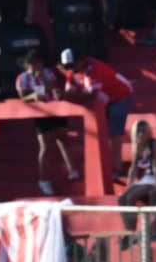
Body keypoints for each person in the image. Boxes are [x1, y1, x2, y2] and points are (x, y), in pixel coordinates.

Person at [57, 48, 134, 181]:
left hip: (121, 94)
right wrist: (62, 95)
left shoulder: (94, 68)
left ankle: (117, 167)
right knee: (104, 132)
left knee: (114, 132)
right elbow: (69, 93)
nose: (71, 69)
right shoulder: (72, 72)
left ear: (81, 61)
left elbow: (92, 94)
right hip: (105, 98)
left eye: (73, 65)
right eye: (67, 67)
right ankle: (109, 166)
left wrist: (67, 96)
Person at [14, 48, 79, 195]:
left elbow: (53, 87)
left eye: (38, 64)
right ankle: (44, 179)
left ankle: (72, 169)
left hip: (55, 108)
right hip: (40, 113)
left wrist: (42, 77)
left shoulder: (48, 72)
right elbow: (22, 97)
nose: (36, 68)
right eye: (33, 65)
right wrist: (33, 97)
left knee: (63, 138)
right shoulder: (22, 78)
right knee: (46, 146)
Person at [118, 120, 156, 236]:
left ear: (149, 132)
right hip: (143, 180)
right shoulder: (136, 147)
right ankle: (129, 231)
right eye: (138, 132)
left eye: (144, 131)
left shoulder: (154, 143)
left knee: (131, 197)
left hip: (153, 178)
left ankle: (132, 231)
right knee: (122, 198)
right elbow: (133, 168)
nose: (141, 134)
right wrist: (129, 185)